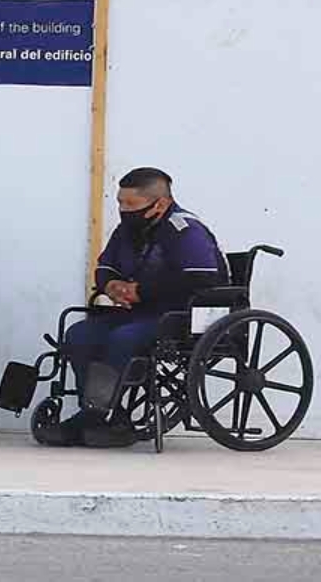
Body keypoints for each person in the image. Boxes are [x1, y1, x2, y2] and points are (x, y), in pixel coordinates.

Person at [38, 167, 227, 448]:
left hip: (181, 316)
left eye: (130, 204)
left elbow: (201, 277)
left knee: (123, 339)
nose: (123, 210)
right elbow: (105, 267)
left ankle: (111, 416)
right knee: (79, 334)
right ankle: (93, 412)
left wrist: (142, 291)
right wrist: (111, 285)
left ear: (159, 204)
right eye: (119, 202)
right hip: (138, 312)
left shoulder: (185, 230)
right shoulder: (128, 230)